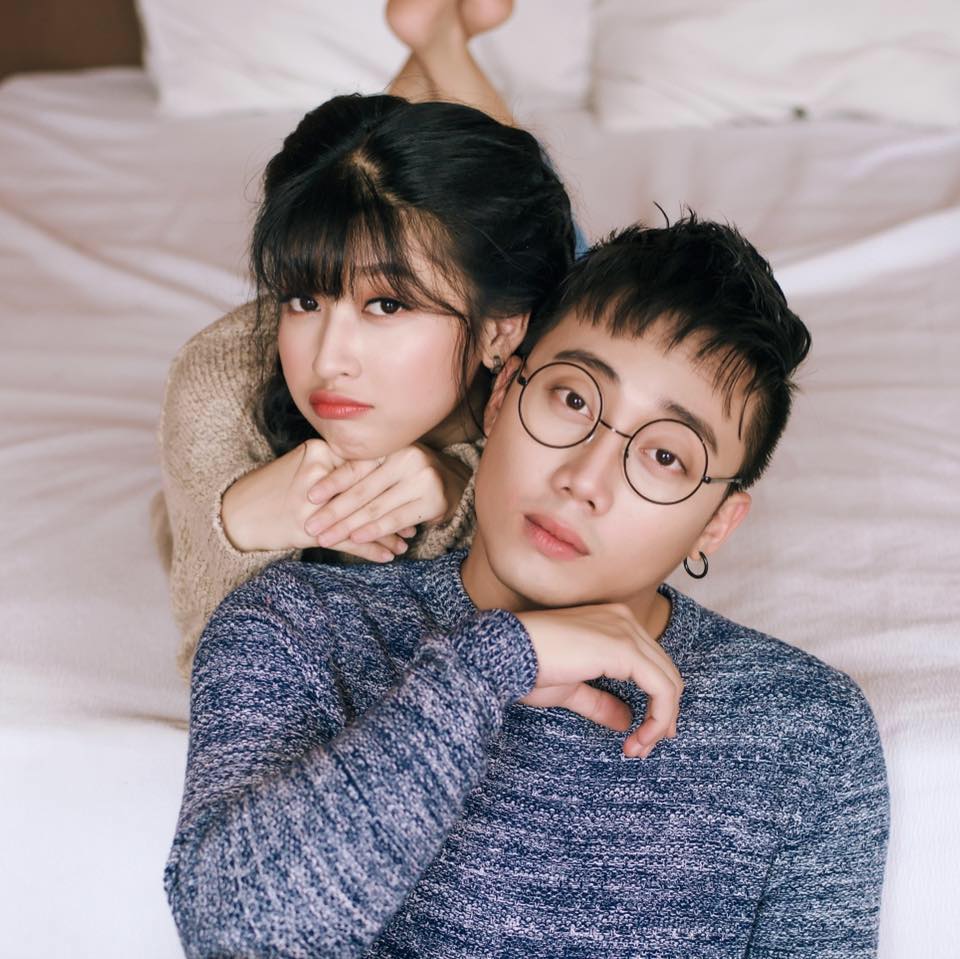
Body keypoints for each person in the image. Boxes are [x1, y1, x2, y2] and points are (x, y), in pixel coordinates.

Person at [164, 216, 890, 956]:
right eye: (572, 400)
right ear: (504, 392)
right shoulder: (296, 625)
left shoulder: (805, 727)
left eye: (666, 456)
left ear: (718, 523)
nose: (585, 479)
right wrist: (489, 665)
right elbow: (233, 933)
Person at [152, 83, 576, 669]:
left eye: (387, 305)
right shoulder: (220, 380)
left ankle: (441, 53)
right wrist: (239, 520)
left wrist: (466, 492)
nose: (328, 361)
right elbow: (221, 670)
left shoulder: (566, 400)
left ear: (500, 331)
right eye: (304, 300)